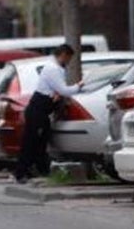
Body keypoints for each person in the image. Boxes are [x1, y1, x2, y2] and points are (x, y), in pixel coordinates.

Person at [12, 44, 82, 184]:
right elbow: (63, 90)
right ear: (63, 54)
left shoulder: (53, 68)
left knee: (41, 141)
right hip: (38, 110)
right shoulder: (53, 69)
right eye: (68, 58)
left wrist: (56, 94)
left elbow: (55, 90)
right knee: (31, 142)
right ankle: (21, 172)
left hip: (41, 109)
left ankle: (39, 169)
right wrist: (78, 86)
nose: (68, 61)